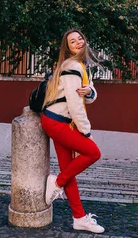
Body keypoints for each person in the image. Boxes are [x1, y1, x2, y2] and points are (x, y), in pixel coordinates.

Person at [40, 29, 104, 234]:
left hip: (61, 122)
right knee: (93, 152)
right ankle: (56, 182)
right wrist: (86, 133)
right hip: (58, 122)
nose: (78, 42)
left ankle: (79, 218)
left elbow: (89, 97)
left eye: (80, 38)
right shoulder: (72, 66)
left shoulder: (82, 67)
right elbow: (75, 105)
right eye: (72, 41)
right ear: (67, 47)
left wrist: (91, 91)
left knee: (70, 171)